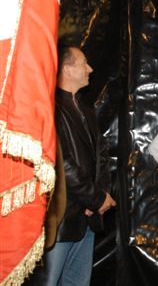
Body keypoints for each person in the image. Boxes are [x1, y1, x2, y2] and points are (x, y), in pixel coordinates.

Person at [31, 46, 115, 286]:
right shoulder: (49, 108)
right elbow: (61, 164)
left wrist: (98, 197)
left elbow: (101, 157)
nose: (90, 68)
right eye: (83, 63)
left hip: (86, 218)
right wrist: (95, 198)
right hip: (61, 221)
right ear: (67, 69)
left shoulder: (86, 110)